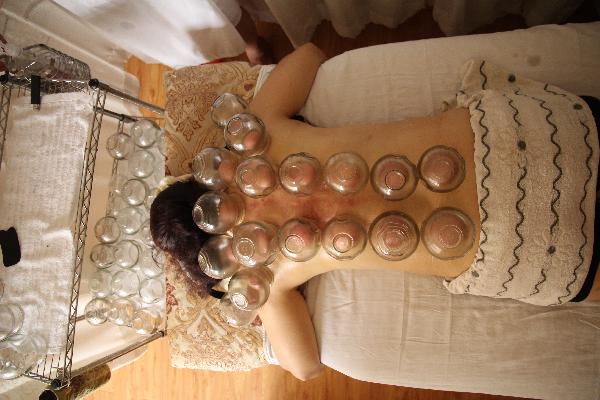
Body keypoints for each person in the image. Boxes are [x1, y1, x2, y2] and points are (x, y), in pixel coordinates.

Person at [151, 43, 600, 380]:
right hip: (511, 136)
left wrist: (252, 299)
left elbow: (305, 367)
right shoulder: (257, 131)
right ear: (197, 181)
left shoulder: (263, 278)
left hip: (515, 245)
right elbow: (309, 54)